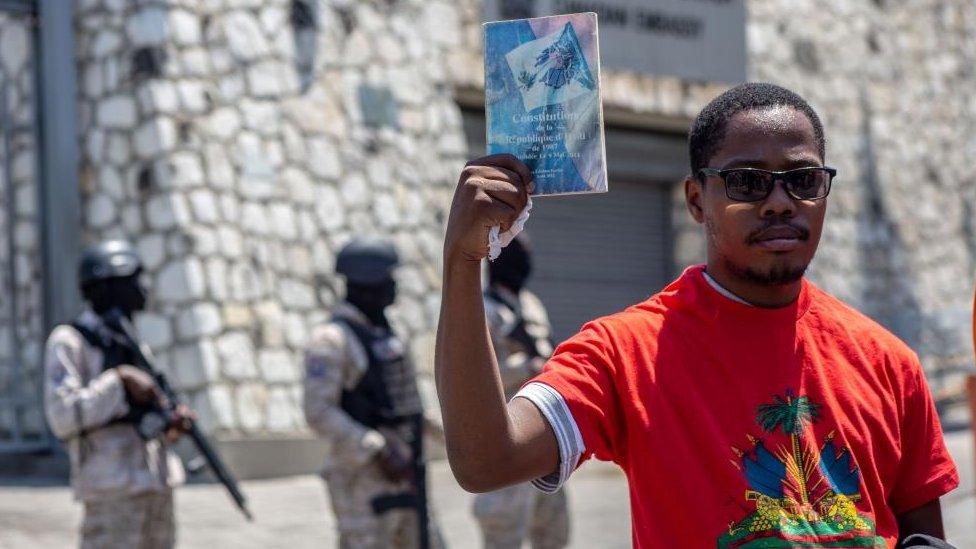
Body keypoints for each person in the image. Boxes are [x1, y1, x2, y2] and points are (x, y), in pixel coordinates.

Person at [436, 83, 960, 547]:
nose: (779, 201)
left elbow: (921, 534)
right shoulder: (626, 352)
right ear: (695, 200)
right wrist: (462, 262)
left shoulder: (890, 363)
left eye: (802, 179)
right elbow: (487, 460)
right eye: (748, 183)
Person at [44, 240, 194, 549]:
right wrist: (119, 381)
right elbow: (62, 416)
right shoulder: (70, 341)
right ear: (110, 284)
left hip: (156, 486)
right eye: (132, 281)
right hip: (112, 491)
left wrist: (172, 420)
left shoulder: (133, 341)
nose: (141, 289)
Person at [304, 237, 444, 548]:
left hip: (408, 473)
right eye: (387, 278)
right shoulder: (331, 340)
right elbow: (318, 411)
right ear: (367, 282)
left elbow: (408, 404)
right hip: (361, 480)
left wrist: (453, 437)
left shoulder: (388, 333)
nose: (393, 286)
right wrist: (376, 447)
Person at [473, 234, 569, 549]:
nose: (526, 261)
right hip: (505, 442)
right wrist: (524, 367)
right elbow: (474, 379)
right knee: (503, 536)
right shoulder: (480, 311)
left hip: (545, 444)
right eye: (519, 254)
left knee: (553, 535)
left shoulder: (530, 304)